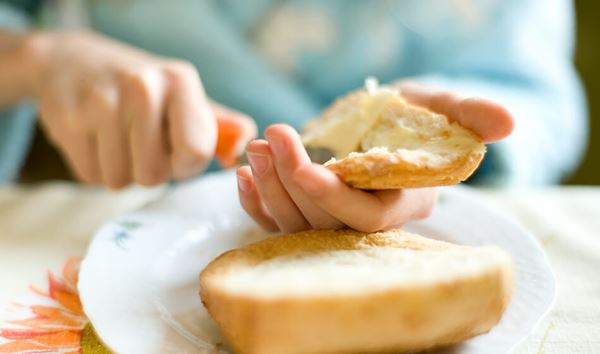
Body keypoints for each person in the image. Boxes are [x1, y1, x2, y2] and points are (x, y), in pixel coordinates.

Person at [0, 1, 586, 233]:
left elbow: (537, 99)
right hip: (120, 233)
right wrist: (36, 56)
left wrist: (427, 163)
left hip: (429, 226)